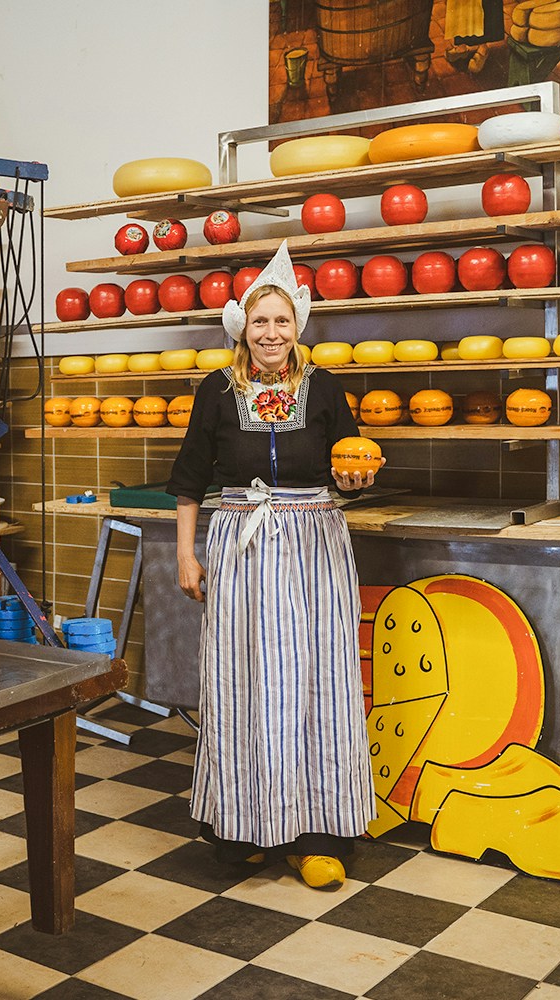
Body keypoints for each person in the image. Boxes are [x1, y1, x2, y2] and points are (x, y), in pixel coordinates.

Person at [165, 241, 382, 891]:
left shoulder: (326, 389)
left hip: (315, 545)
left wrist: (357, 477)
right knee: (243, 682)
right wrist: (186, 552)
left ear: (298, 328)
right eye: (260, 321)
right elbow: (187, 481)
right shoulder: (215, 391)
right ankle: (244, 826)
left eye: (281, 320)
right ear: (241, 329)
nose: (270, 332)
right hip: (241, 542)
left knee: (319, 683)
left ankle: (318, 833)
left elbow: (352, 469)